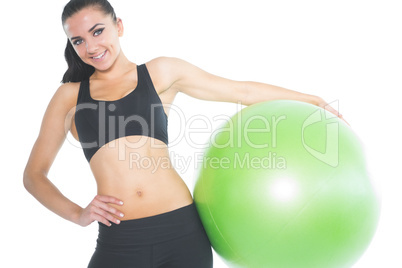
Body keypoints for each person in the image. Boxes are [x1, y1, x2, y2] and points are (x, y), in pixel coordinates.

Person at [23, 0, 343, 267]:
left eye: (97, 31)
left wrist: (310, 99)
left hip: (182, 232)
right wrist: (79, 214)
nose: (91, 46)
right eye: (78, 40)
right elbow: (34, 175)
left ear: (118, 26)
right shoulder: (69, 97)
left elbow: (240, 90)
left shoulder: (161, 72)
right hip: (119, 240)